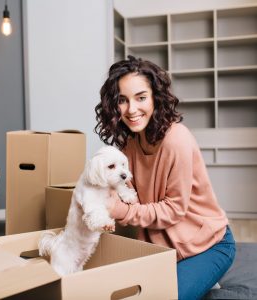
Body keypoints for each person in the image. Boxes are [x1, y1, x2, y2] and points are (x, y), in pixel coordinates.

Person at [94, 55, 236, 299]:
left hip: (209, 246)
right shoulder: (130, 145)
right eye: (122, 100)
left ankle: (204, 274)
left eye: (141, 98)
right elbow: (132, 202)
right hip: (164, 250)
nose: (132, 109)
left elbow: (173, 210)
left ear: (155, 99)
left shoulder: (176, 139)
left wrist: (119, 211)